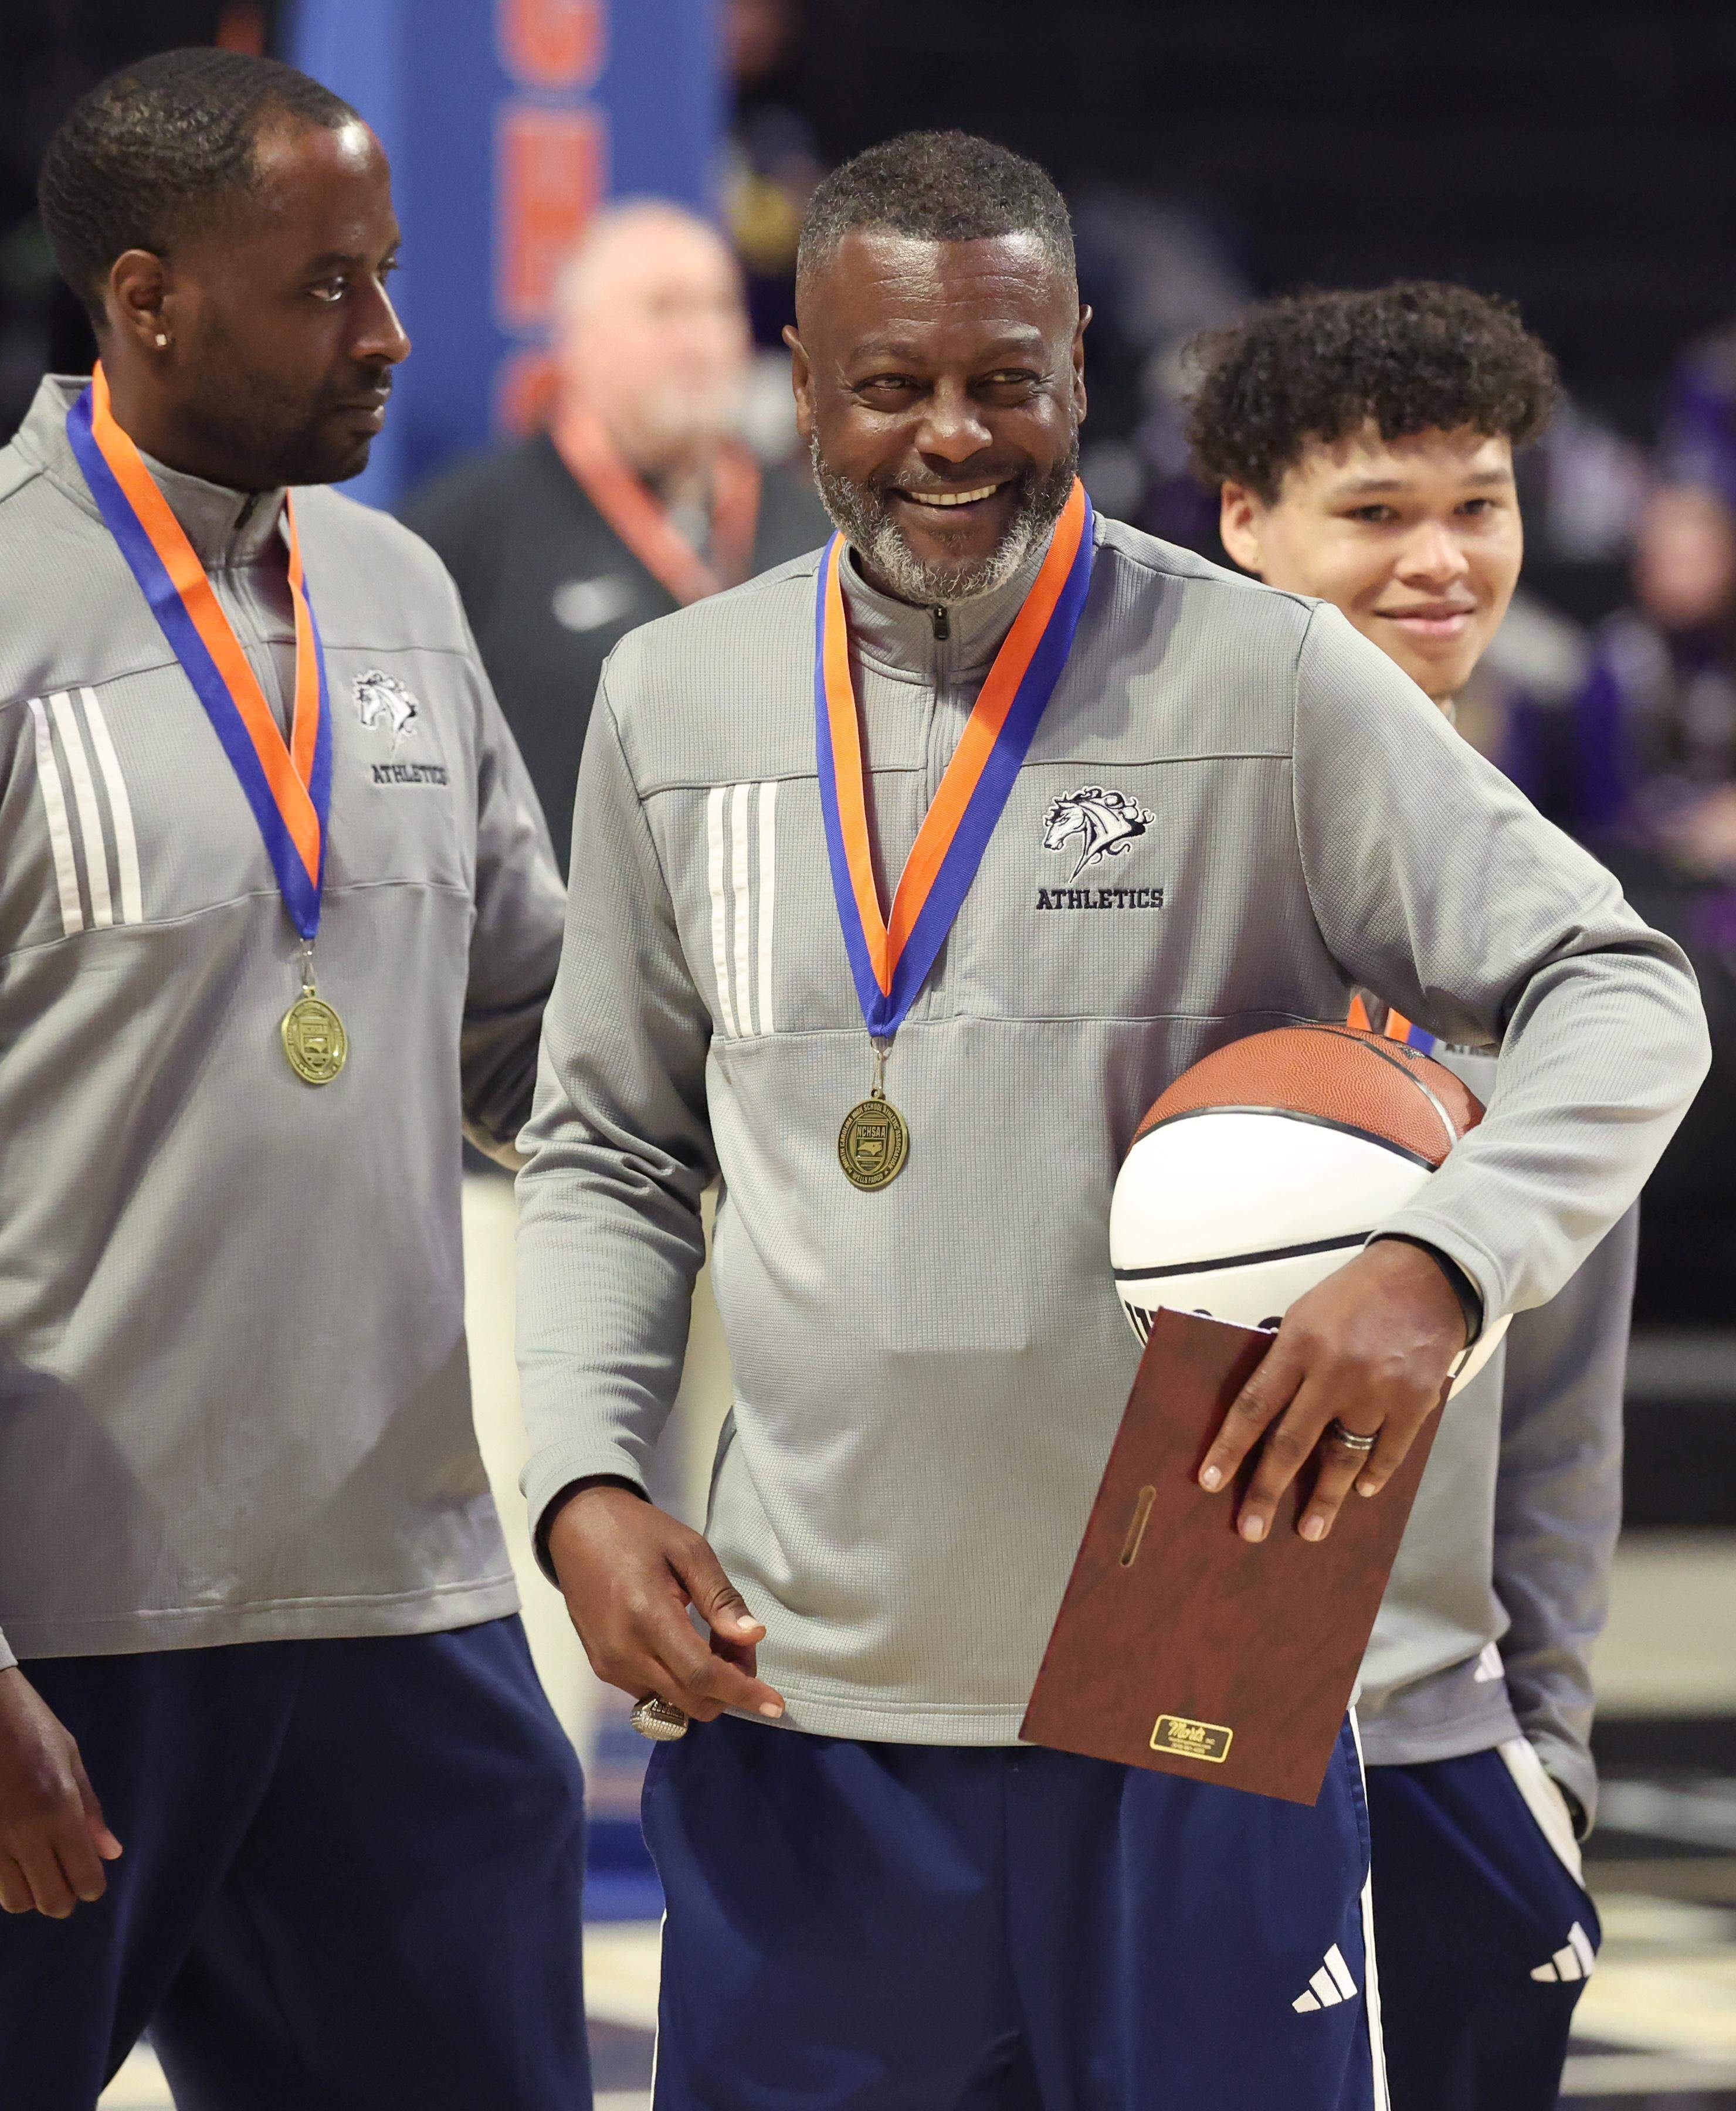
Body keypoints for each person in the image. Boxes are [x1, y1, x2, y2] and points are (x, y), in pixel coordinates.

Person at [514, 133, 1707, 2110]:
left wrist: (1441, 1260)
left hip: (1202, 1702)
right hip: (807, 1702)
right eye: (891, 387)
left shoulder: (1278, 677)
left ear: (1080, 356)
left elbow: (1622, 989)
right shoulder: (674, 701)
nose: (953, 437)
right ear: (798, 379)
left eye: (1008, 378)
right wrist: (580, 1473)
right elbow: (609, 1151)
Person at [0, 50, 589, 2111]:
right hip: (62, 1618)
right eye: (331, 286)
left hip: (399, 1594)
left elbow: (535, 1031)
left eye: (395, 274)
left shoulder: (406, 595)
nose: (394, 334)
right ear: (148, 300)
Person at [1188, 278, 1633, 2111]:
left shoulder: (1550, 915)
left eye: (1477, 505)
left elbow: (1565, 1379)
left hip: (1446, 1737)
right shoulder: (1165, 867)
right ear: (1241, 523)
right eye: (1372, 513)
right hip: (1169, 1728)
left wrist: (1542, 1746)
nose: (1436, 560)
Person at [402, 199, 831, 866]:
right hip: (557, 961)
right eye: (663, 310)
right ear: (574, 340)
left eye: (719, 308)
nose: (701, 342)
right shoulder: (462, 536)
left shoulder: (818, 533)